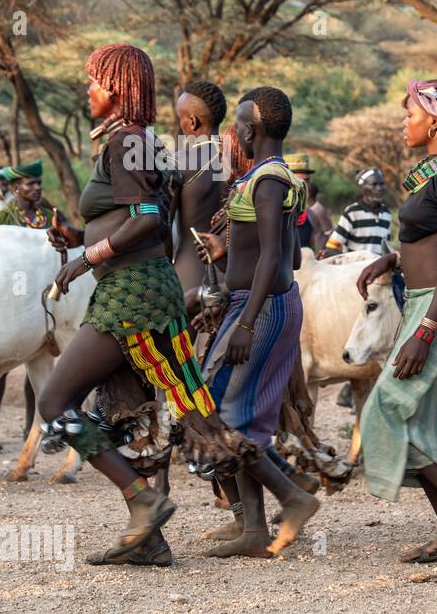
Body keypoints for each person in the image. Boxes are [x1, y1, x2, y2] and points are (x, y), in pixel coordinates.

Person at [40, 42, 253, 568]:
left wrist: (86, 257)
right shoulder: (139, 141)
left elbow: (146, 220)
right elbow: (135, 215)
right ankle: (151, 539)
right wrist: (77, 235)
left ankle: (145, 501)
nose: (87, 90)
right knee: (131, 411)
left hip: (131, 294)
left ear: (116, 88)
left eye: (94, 81)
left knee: (55, 403)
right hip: (141, 286)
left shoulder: (127, 141)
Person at [354, 79, 437, 563]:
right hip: (421, 299)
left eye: (409, 114)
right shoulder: (430, 176)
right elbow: (425, 241)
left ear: (435, 123)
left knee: (384, 409)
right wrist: (392, 259)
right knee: (413, 416)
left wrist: (426, 331)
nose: (403, 122)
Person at [193, 87, 322, 558]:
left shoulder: (266, 180)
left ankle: (292, 494)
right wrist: (229, 250)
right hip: (264, 302)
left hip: (259, 307)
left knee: (212, 409)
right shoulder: (278, 177)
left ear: (251, 129)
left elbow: (272, 257)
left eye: (240, 123)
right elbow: (286, 253)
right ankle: (253, 527)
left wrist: (246, 323)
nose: (236, 131)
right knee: (240, 414)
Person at [0, 160, 73, 452]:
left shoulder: (50, 215)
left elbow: (68, 244)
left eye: (39, 183)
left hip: (45, 297)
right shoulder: (4, 217)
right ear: (16, 187)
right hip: (8, 297)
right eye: (30, 183)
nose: (37, 188)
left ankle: (34, 426)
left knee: (37, 369)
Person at [171, 80, 229, 316]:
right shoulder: (241, 161)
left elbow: (162, 230)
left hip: (188, 276)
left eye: (181, 118)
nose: (181, 124)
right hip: (233, 278)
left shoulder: (178, 163)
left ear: (193, 121)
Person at [320, 167, 391, 258]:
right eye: (374, 184)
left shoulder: (386, 213)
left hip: (379, 266)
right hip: (356, 266)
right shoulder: (352, 213)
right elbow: (332, 245)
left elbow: (386, 248)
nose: (379, 188)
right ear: (363, 188)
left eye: (381, 184)